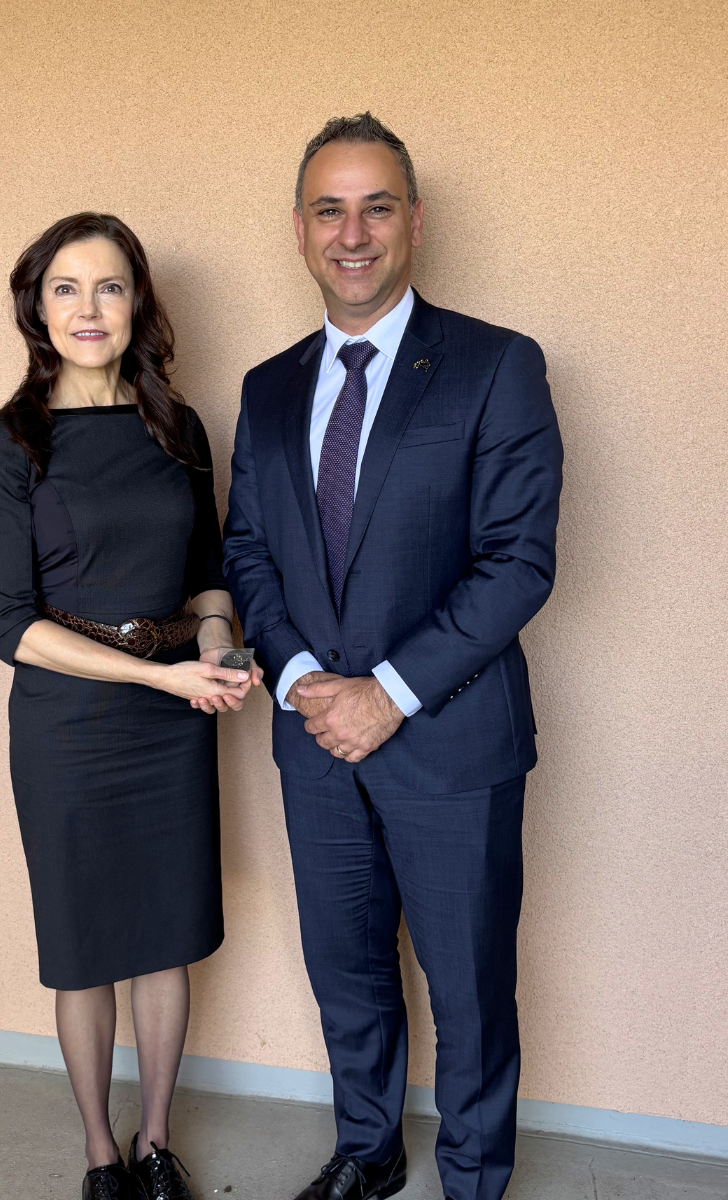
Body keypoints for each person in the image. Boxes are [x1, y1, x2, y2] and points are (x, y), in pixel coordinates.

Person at [223, 115, 563, 1200]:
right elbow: (246, 548)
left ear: (415, 221)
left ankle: (472, 1179)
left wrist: (391, 693)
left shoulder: (496, 366)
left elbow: (518, 563)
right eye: (330, 209)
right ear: (299, 230)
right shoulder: (268, 388)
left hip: (451, 742)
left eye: (376, 206)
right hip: (313, 740)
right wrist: (298, 680)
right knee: (348, 974)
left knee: (467, 986)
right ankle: (367, 1152)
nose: (352, 232)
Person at [0, 212, 262, 1200]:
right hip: (67, 726)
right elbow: (12, 625)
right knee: (86, 951)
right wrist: (161, 677)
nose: (87, 310)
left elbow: (207, 574)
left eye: (108, 287)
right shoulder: (8, 443)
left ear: (139, 305)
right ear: (35, 306)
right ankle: (101, 1153)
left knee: (166, 939)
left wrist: (217, 649)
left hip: (171, 720)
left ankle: (156, 1143)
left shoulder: (178, 428)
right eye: (65, 288)